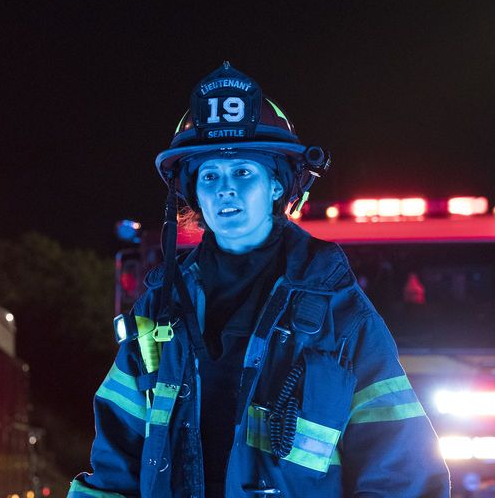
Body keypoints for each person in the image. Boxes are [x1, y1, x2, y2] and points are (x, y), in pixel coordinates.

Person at [69, 63, 450, 497]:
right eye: (209, 176)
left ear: (277, 186)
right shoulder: (160, 307)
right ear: (194, 194)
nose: (224, 189)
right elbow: (116, 458)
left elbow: (402, 471)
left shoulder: (339, 313)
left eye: (243, 173)